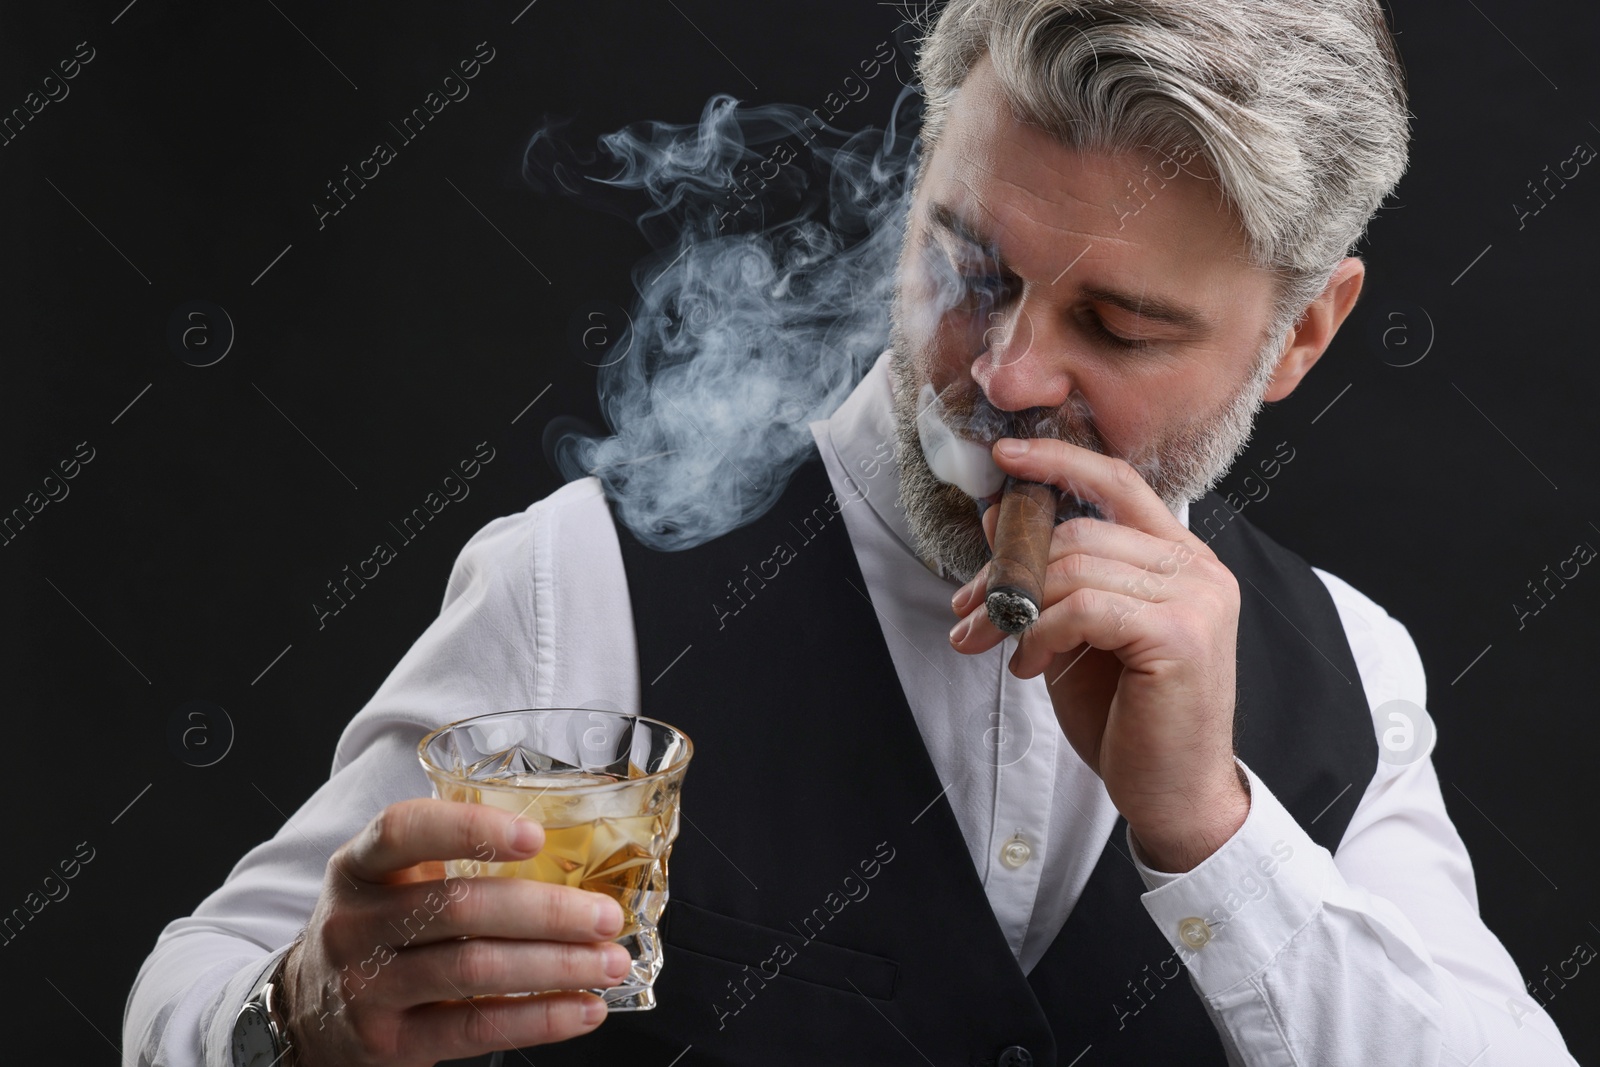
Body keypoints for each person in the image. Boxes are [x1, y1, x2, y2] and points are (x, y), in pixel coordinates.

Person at [126, 1, 1580, 1064]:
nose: (1007, 374)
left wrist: (1212, 831)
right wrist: (299, 1017)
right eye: (968, 265)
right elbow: (185, 993)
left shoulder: (1348, 671)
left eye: (1121, 326)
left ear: (1300, 334)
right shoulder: (582, 583)